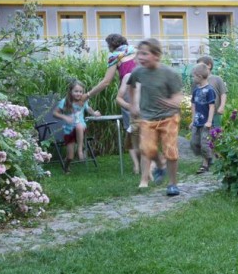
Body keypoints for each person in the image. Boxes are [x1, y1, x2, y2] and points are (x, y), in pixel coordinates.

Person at [84, 34, 149, 175]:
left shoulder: (116, 57)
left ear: (111, 45)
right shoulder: (136, 50)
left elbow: (106, 81)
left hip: (128, 92)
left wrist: (88, 94)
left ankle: (138, 165)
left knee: (132, 129)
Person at [128, 38, 184, 196]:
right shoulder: (138, 72)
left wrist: (170, 102)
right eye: (139, 53)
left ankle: (172, 184)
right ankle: (160, 165)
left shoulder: (169, 74)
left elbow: (179, 97)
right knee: (146, 149)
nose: (140, 57)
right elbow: (131, 87)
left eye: (145, 54)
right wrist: (132, 105)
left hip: (169, 118)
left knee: (170, 150)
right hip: (147, 117)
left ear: (157, 55)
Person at [53, 78, 100, 173]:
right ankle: (66, 167)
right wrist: (65, 117)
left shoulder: (83, 101)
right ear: (70, 92)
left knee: (79, 126)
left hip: (81, 128)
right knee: (70, 156)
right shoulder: (65, 101)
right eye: (76, 91)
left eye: (81, 91)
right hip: (69, 131)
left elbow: (89, 109)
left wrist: (94, 113)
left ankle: (79, 150)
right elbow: (55, 113)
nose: (78, 94)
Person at [189, 63, 216, 174]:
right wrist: (192, 120)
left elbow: (212, 106)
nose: (192, 78)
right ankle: (210, 156)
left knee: (204, 143)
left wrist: (209, 121)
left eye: (193, 76)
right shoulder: (196, 90)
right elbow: (193, 105)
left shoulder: (210, 90)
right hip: (197, 122)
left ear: (199, 76)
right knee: (194, 143)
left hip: (206, 123)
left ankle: (205, 164)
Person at [193, 55, 228, 128]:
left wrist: (222, 106)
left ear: (209, 65)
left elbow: (223, 93)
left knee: (216, 132)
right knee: (203, 133)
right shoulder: (197, 81)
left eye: (201, 66)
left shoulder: (217, 79)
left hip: (215, 112)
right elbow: (194, 99)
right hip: (202, 114)